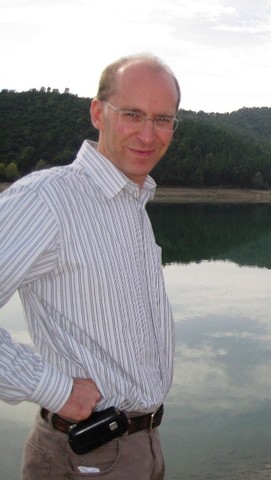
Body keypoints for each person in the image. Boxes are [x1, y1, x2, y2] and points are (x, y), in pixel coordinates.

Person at [0, 54, 180, 479]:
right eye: (132, 114)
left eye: (163, 119)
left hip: (141, 447)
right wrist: (54, 388)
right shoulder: (47, 201)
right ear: (98, 113)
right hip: (87, 456)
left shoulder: (132, 203)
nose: (148, 133)